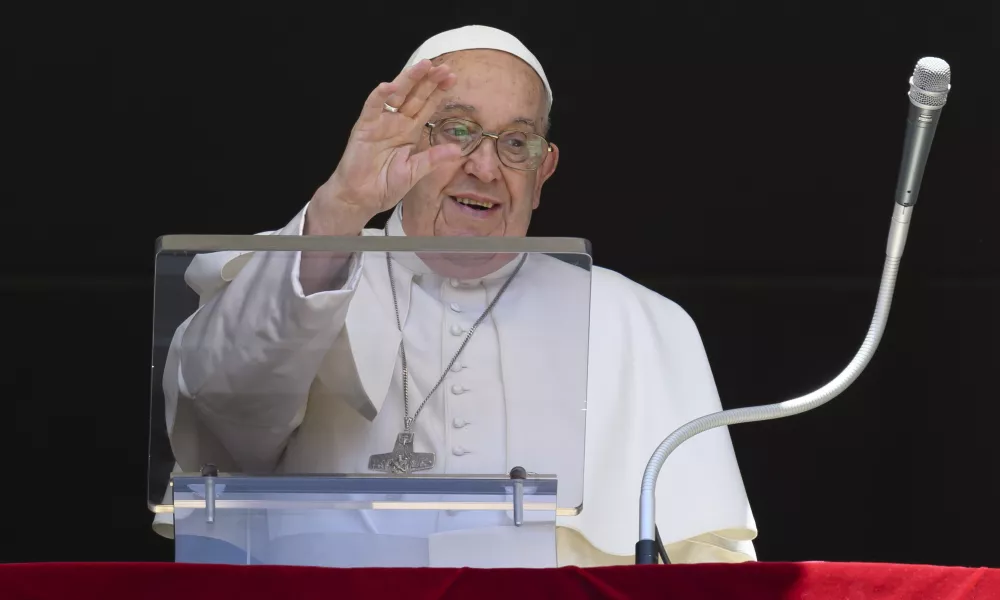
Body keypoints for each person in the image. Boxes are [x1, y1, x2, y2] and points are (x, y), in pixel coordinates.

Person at [154, 25, 757, 566]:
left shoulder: (636, 321)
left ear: (543, 173)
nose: (485, 169)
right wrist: (341, 207)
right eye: (458, 132)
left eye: (515, 142)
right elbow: (223, 414)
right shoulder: (303, 264)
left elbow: (701, 564)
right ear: (404, 144)